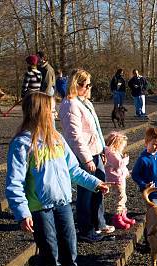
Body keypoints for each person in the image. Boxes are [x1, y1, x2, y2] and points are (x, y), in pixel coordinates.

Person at [5, 92, 110, 266]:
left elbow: (73, 170)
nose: (55, 113)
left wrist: (95, 183)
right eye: (52, 110)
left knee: (70, 252)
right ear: (40, 112)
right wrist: (22, 212)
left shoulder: (58, 139)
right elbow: (14, 183)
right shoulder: (23, 144)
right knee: (50, 255)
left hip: (63, 205)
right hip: (40, 208)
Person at [59, 69, 115, 243]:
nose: (90, 88)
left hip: (95, 151)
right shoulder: (70, 105)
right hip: (85, 155)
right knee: (86, 193)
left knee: (98, 187)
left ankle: (98, 222)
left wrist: (102, 150)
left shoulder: (84, 102)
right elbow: (75, 136)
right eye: (88, 85)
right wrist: (87, 158)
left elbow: (95, 130)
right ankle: (86, 228)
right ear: (78, 85)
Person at [131, 127, 157, 208]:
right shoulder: (143, 159)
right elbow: (135, 174)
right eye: (154, 144)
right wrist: (143, 184)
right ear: (146, 143)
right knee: (154, 215)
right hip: (152, 195)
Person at [104, 131, 136, 229]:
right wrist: (126, 160)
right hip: (116, 179)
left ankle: (123, 215)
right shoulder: (110, 152)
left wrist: (126, 172)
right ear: (117, 144)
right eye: (122, 145)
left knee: (123, 197)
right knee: (120, 198)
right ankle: (117, 218)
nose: (123, 148)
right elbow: (118, 164)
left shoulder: (114, 152)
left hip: (119, 178)